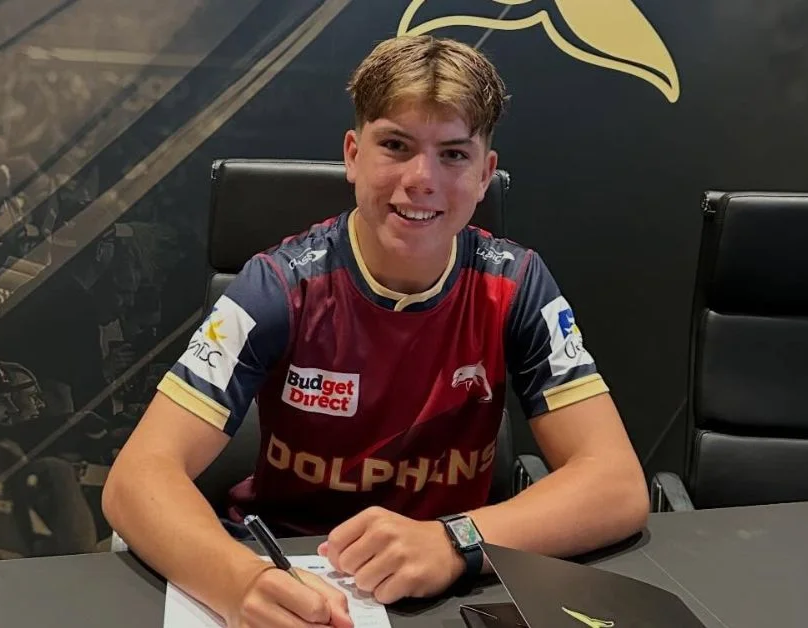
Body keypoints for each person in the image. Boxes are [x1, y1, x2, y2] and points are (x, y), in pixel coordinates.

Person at [102, 35, 648, 628]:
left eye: (453, 154)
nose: (422, 178)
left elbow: (616, 484)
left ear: (485, 173)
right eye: (395, 145)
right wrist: (242, 584)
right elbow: (137, 478)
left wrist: (456, 540)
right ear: (353, 154)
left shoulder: (516, 284)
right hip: (294, 574)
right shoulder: (277, 284)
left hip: (446, 589)